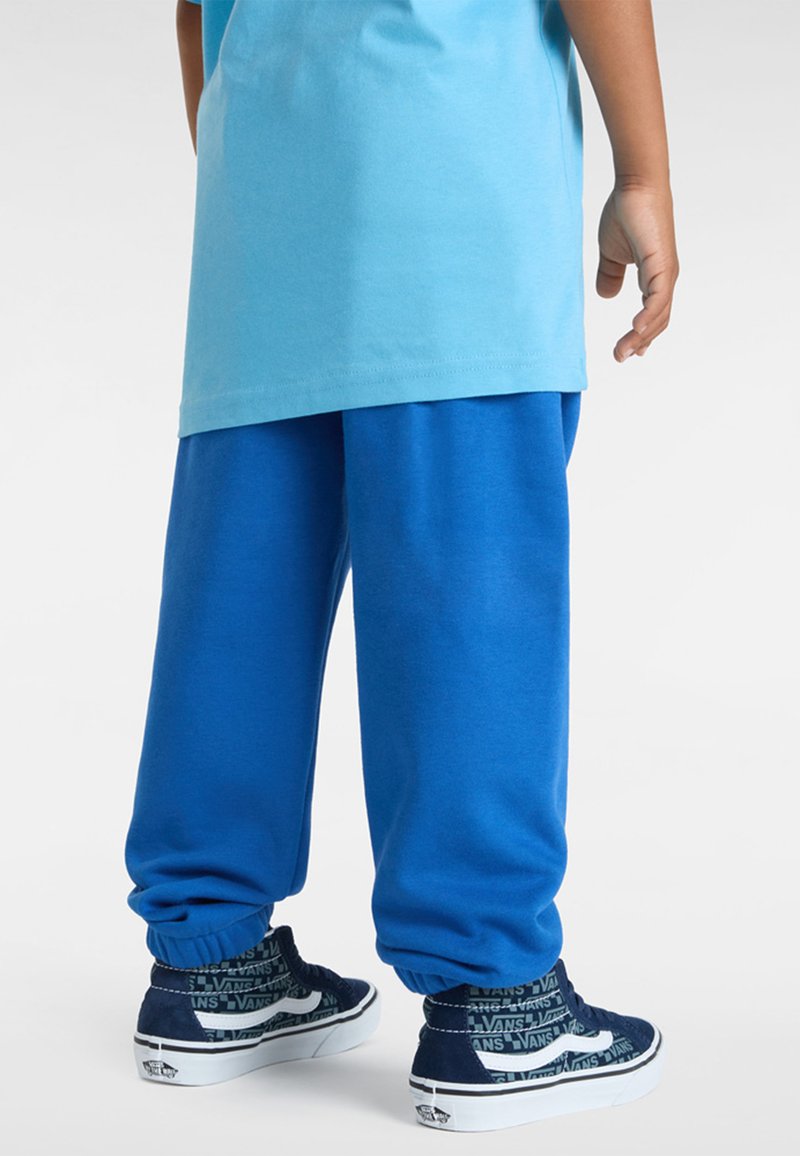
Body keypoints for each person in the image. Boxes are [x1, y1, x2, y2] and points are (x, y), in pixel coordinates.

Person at [124, 0, 678, 1132]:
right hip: (449, 191)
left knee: (238, 601)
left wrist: (258, 183)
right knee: (468, 602)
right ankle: (497, 1002)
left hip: (265, 210)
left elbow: (191, 13)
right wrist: (642, 174)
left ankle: (209, 966)